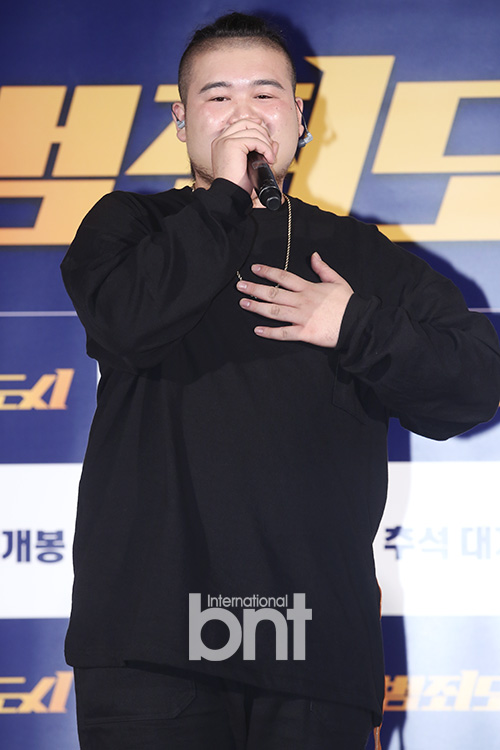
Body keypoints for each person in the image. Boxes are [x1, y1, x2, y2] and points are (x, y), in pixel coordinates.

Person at [60, 12, 500, 750]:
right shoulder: (130, 225)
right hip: (152, 640)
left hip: (311, 643)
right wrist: (226, 201)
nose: (244, 115)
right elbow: (124, 321)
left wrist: (353, 323)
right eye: (218, 97)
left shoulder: (358, 253)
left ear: (298, 117)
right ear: (181, 121)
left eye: (265, 95)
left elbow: (474, 385)